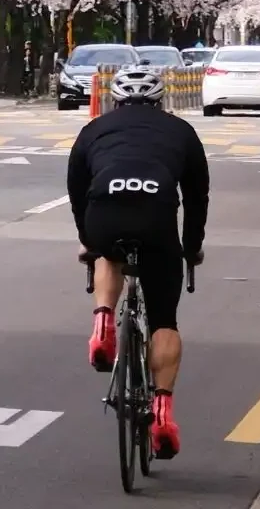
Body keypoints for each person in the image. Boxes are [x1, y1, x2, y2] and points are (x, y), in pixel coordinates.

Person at [67, 61, 209, 461]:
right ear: (161, 99)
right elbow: (197, 197)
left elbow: (77, 190)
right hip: (156, 217)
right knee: (164, 320)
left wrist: (87, 240)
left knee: (107, 253)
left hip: (104, 214)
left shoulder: (93, 129)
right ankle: (162, 413)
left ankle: (103, 320)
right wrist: (190, 246)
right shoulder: (181, 131)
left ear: (115, 99)